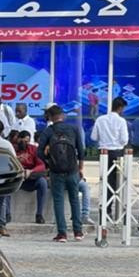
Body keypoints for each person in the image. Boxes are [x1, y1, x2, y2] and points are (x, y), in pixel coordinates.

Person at [38, 104, 84, 242]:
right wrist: (80, 168)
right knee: (74, 200)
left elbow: (39, 152)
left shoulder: (48, 131)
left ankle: (62, 233)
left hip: (56, 171)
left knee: (58, 201)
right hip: (72, 170)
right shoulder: (73, 129)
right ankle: (78, 232)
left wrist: (48, 162)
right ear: (62, 116)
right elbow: (81, 151)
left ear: (51, 117)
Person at [90, 96, 129, 212]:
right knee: (116, 181)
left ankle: (104, 206)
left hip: (103, 153)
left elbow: (93, 137)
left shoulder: (100, 119)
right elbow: (124, 140)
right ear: (121, 108)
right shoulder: (121, 121)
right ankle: (112, 208)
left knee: (104, 180)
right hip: (117, 153)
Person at [13, 132, 48, 223]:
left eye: (26, 141)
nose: (24, 143)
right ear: (18, 139)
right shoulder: (12, 149)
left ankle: (39, 214)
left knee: (42, 182)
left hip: (30, 178)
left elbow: (41, 165)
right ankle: (7, 214)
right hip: (16, 179)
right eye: (22, 140)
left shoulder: (33, 149)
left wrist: (30, 171)